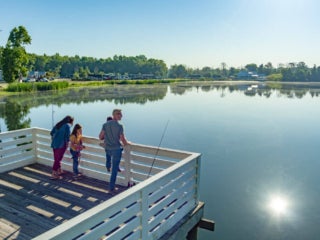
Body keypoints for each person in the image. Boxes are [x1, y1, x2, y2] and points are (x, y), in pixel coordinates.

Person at [99, 109, 129, 193]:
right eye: (119, 114)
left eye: (121, 114)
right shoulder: (120, 126)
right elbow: (122, 139)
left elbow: (100, 137)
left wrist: (108, 137)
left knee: (111, 163)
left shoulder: (105, 125)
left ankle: (108, 166)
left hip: (108, 149)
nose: (121, 116)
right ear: (114, 115)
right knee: (115, 169)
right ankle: (111, 187)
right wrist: (127, 143)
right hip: (116, 150)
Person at [50, 115, 74, 179]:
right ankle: (53, 174)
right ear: (70, 121)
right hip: (61, 145)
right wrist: (66, 145)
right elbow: (67, 137)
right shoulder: (67, 126)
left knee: (57, 158)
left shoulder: (58, 124)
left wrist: (56, 137)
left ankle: (59, 170)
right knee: (57, 160)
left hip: (54, 144)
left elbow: (51, 133)